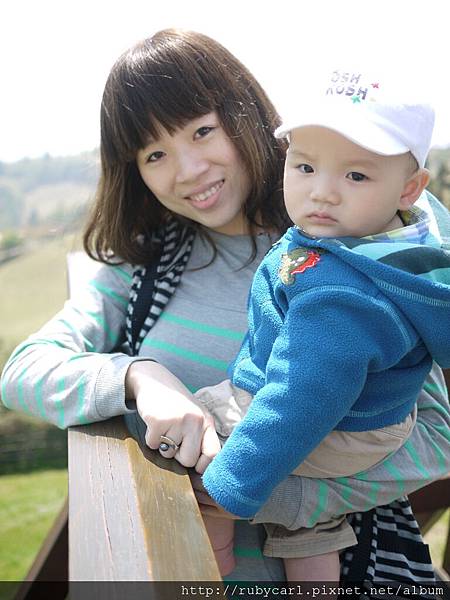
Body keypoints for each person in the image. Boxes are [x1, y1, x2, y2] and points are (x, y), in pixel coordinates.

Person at [1, 30, 449, 584]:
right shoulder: (143, 267)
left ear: (244, 114)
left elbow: (435, 439)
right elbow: (24, 370)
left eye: (202, 131)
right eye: (155, 154)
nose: (188, 169)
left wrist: (271, 494)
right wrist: (142, 378)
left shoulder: (353, 251)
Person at [187, 70, 450, 579]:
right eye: (305, 166)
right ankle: (313, 549)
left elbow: (300, 396)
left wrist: (232, 484)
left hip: (336, 427)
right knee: (306, 520)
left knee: (199, 425)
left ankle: (205, 567)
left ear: (408, 188)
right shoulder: (408, 244)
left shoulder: (338, 295)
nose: (322, 193)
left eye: (356, 176)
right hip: (373, 422)